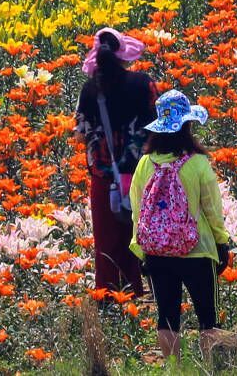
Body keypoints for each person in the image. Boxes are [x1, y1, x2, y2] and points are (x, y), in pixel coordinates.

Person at [129, 90, 233, 362]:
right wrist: (222, 243)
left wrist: (141, 248)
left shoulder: (144, 164)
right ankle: (210, 367)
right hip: (197, 251)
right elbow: (212, 208)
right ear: (187, 125)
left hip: (157, 252)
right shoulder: (197, 163)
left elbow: (138, 210)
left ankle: (174, 369)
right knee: (208, 317)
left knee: (166, 316)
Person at [74, 27, 157, 295]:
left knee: (107, 245)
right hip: (141, 175)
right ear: (123, 53)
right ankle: (139, 297)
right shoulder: (142, 83)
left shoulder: (89, 90)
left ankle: (109, 300)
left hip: (104, 180)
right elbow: (158, 127)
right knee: (139, 239)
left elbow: (80, 133)